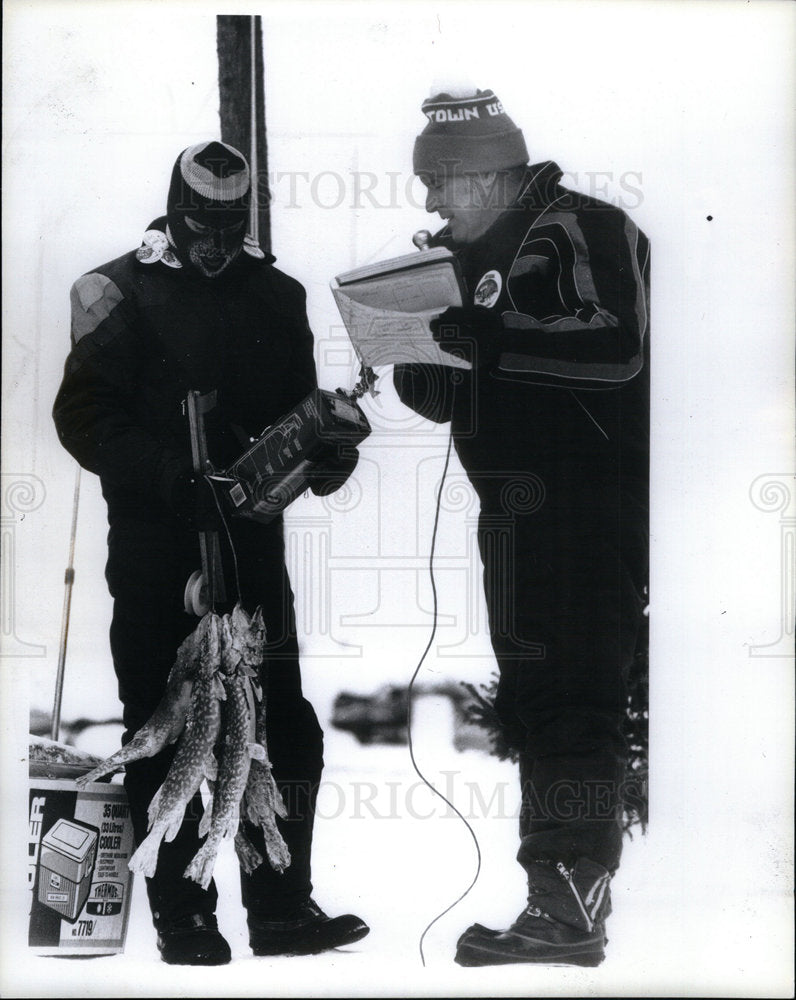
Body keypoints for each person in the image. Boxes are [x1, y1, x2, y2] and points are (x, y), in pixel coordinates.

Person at [52, 140, 369, 965]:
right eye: (202, 222)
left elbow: (297, 417)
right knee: (168, 722)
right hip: (159, 543)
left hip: (253, 542)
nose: (217, 240)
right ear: (174, 208)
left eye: (232, 223)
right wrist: (168, 478)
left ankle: (282, 906)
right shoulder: (118, 290)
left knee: (284, 727)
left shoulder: (277, 295)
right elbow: (83, 418)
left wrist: (327, 457)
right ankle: (184, 913)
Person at [393, 88, 650, 967]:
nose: (429, 202)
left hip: (587, 505)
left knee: (576, 695)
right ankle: (561, 901)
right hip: (514, 515)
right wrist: (412, 353)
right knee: (544, 703)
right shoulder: (472, 259)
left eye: (437, 184)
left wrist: (483, 339)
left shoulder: (585, 227)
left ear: (486, 173)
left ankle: (572, 900)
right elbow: (455, 384)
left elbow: (616, 346)